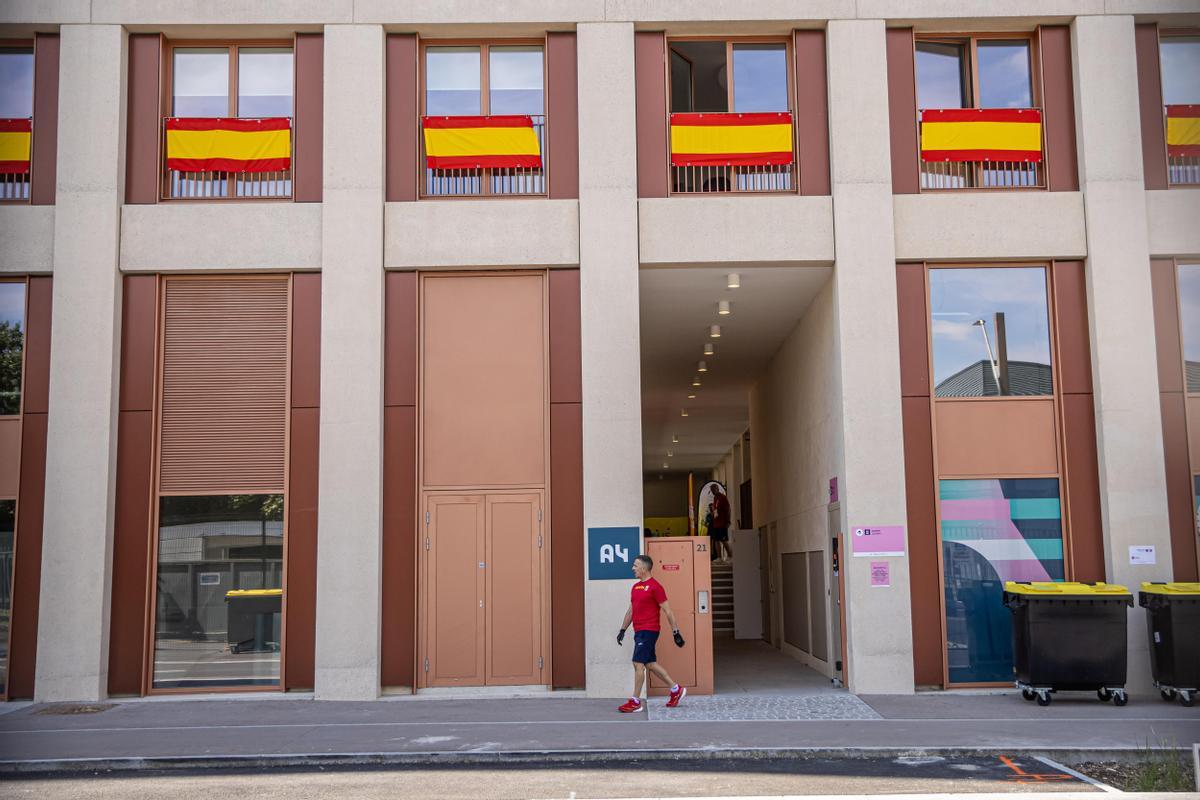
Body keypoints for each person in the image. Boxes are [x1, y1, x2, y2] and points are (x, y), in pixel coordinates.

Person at [615, 554, 686, 712]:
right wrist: (622, 629)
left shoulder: (655, 587)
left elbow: (667, 610)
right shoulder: (635, 587)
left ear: (644, 568)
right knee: (650, 664)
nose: (633, 568)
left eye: (635, 565)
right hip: (639, 630)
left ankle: (635, 701)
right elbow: (631, 611)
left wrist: (676, 632)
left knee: (637, 663)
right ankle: (676, 689)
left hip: (650, 629)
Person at [709, 484, 732, 563]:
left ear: (717, 488)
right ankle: (719, 557)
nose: (712, 491)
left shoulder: (723, 497)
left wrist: (728, 521)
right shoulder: (715, 498)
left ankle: (730, 556)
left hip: (722, 523)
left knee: (724, 540)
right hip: (716, 523)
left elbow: (728, 509)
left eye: (714, 489)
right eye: (711, 490)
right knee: (716, 540)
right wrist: (713, 514)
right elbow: (716, 510)